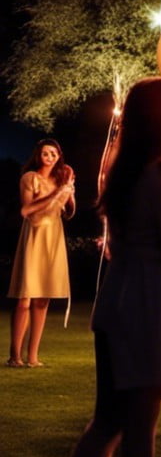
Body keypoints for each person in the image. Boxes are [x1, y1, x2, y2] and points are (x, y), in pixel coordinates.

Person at [70, 77, 161, 457]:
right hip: (148, 311)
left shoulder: (123, 176)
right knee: (139, 427)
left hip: (115, 305)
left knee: (107, 423)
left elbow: (117, 247)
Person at [7, 138, 75, 368]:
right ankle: (15, 354)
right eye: (46, 153)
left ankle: (33, 355)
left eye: (54, 154)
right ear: (39, 156)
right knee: (25, 298)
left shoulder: (59, 179)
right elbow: (27, 209)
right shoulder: (30, 178)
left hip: (53, 236)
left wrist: (69, 188)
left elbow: (68, 212)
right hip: (35, 235)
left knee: (42, 299)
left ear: (58, 157)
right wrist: (56, 193)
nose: (50, 158)